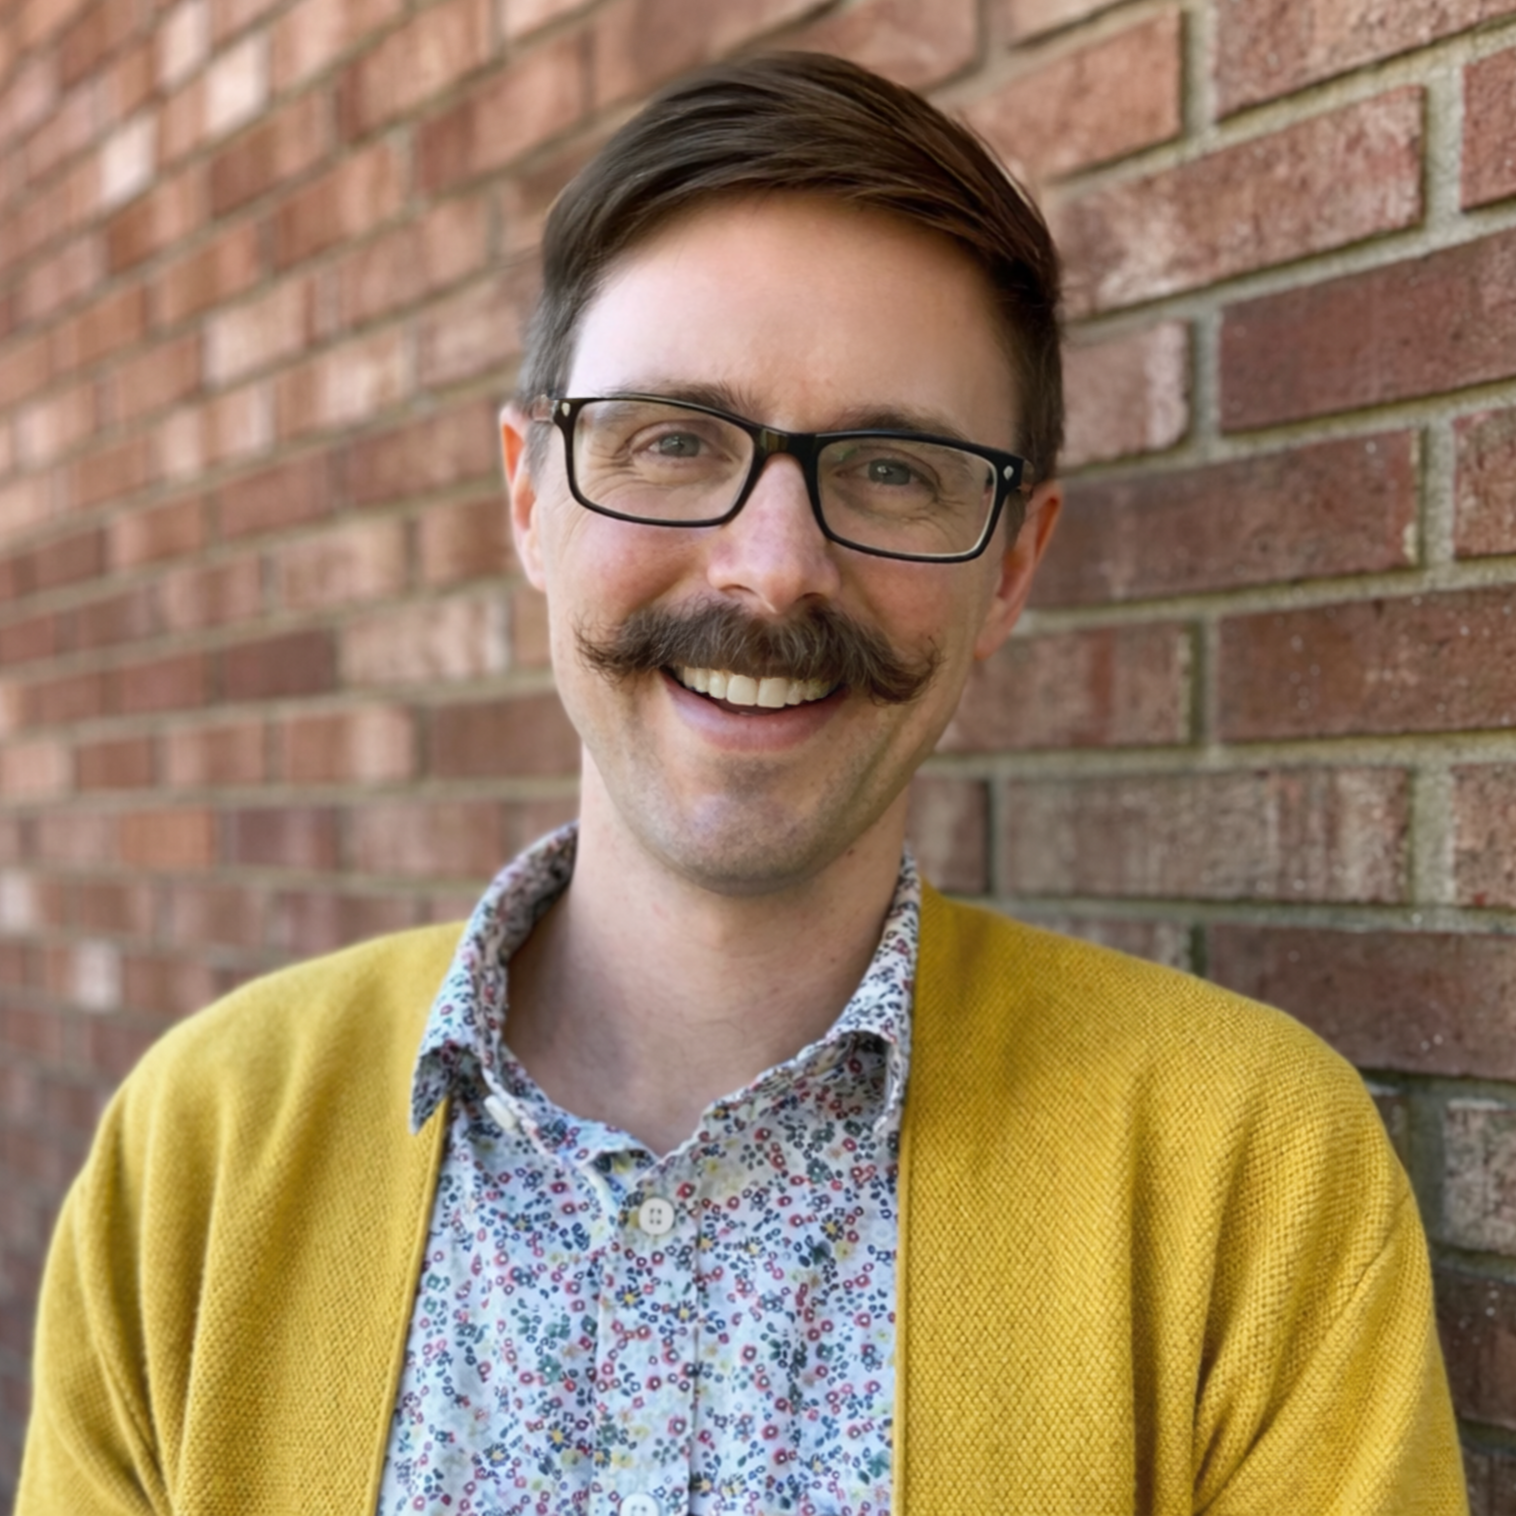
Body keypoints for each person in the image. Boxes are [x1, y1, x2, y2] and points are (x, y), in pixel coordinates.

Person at [19, 51, 1465, 1516]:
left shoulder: (1250, 1184)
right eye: (672, 442)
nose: (773, 570)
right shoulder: (195, 1157)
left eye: (895, 469)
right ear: (530, 496)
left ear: (1014, 563)